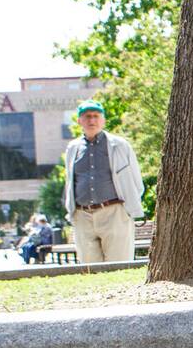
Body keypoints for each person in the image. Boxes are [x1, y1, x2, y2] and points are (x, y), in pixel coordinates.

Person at [62, 100, 145, 262]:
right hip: (82, 214)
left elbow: (135, 181)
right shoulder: (73, 148)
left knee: (119, 264)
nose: (92, 120)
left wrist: (128, 208)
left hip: (114, 211)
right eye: (87, 116)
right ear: (79, 121)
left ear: (103, 120)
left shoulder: (120, 145)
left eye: (96, 116)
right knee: (89, 269)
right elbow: (70, 182)